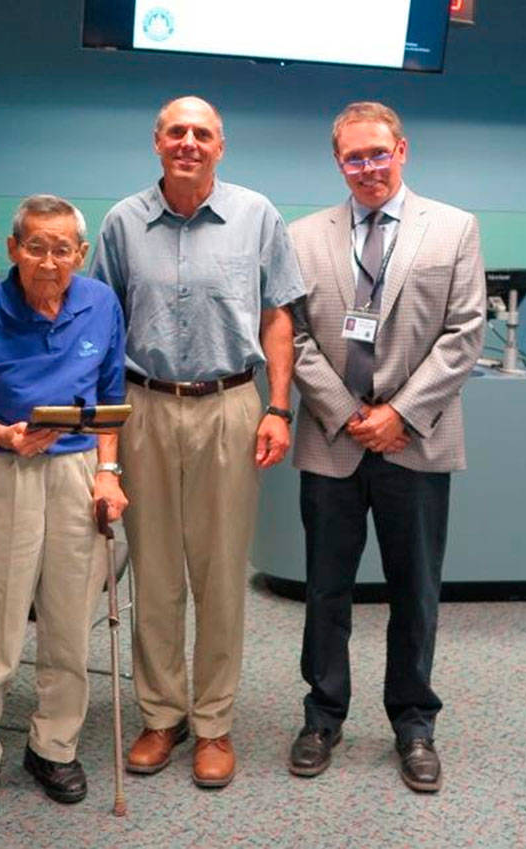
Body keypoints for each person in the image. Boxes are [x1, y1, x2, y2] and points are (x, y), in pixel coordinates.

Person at [90, 95, 304, 787]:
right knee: (153, 571)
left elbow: (278, 318)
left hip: (229, 405)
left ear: (221, 145)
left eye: (202, 133)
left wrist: (278, 406)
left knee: (218, 574)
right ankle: (162, 715)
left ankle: (213, 722)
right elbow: (98, 321)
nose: (189, 142)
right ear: (157, 141)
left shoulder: (257, 215)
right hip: (145, 405)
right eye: (177, 131)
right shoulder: (123, 221)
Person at [288, 102, 485, 792]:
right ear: (337, 162)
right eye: (353, 157)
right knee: (325, 589)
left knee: (416, 589)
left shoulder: (454, 228)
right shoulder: (303, 235)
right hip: (333, 441)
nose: (367, 167)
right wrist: (348, 414)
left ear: (402, 150)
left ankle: (413, 721)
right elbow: (297, 336)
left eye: (378, 153)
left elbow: (464, 335)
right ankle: (322, 715)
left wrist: (399, 411)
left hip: (417, 440)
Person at [0, 194, 128, 826]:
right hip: (3, 468)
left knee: (70, 621)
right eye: (36, 246)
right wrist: (4, 433)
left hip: (76, 473)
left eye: (63, 249)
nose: (50, 261)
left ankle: (53, 747)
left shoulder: (100, 303)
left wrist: (107, 472)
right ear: (14, 247)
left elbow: (110, 398)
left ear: (82, 252)